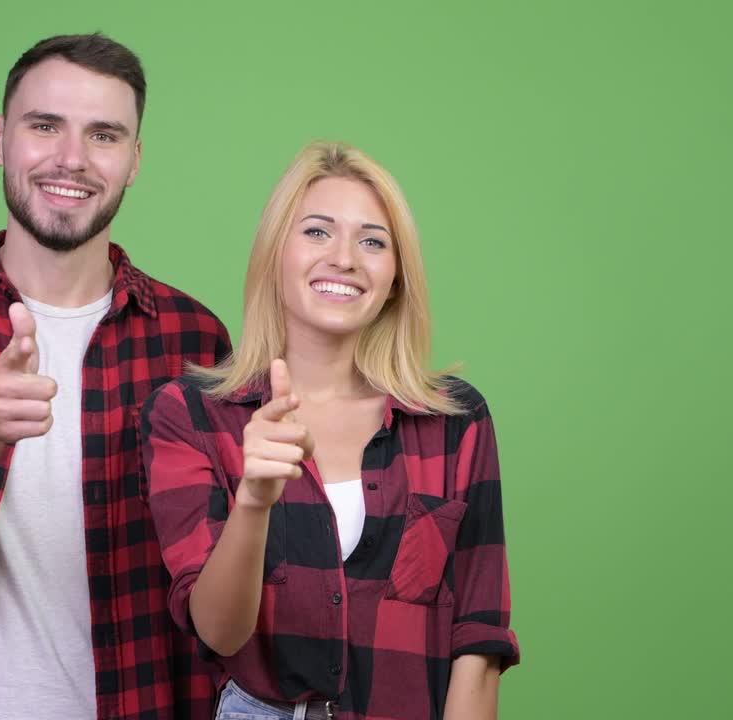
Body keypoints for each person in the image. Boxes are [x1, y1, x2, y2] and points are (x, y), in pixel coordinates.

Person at [0, 33, 229, 720]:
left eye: (104, 135)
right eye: (45, 125)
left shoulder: (195, 340)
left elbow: (220, 574)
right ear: (0, 138)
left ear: (135, 160)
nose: (71, 159)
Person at [141, 141, 519, 719]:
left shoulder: (454, 421)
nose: (345, 258)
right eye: (317, 232)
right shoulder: (190, 414)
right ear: (275, 254)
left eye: (372, 241)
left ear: (395, 277)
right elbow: (217, 631)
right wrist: (253, 502)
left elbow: (479, 634)